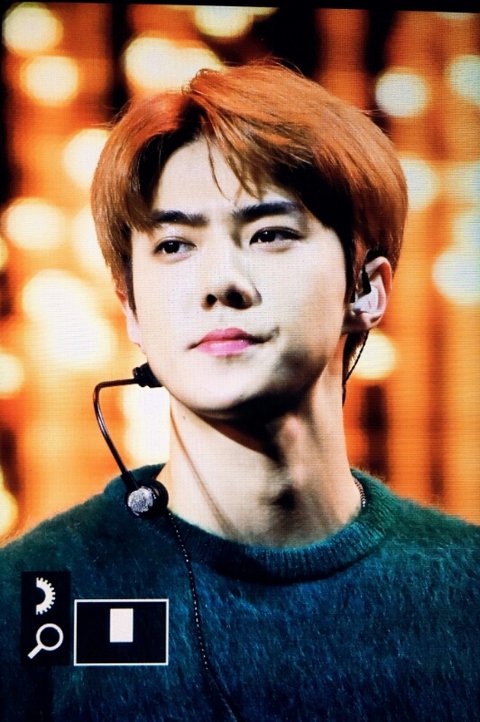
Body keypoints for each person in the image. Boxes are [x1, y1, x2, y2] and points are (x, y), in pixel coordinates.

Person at [0, 61, 478, 722]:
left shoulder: (465, 588)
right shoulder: (37, 595)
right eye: (174, 245)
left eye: (269, 234)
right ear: (132, 308)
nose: (219, 282)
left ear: (366, 289)